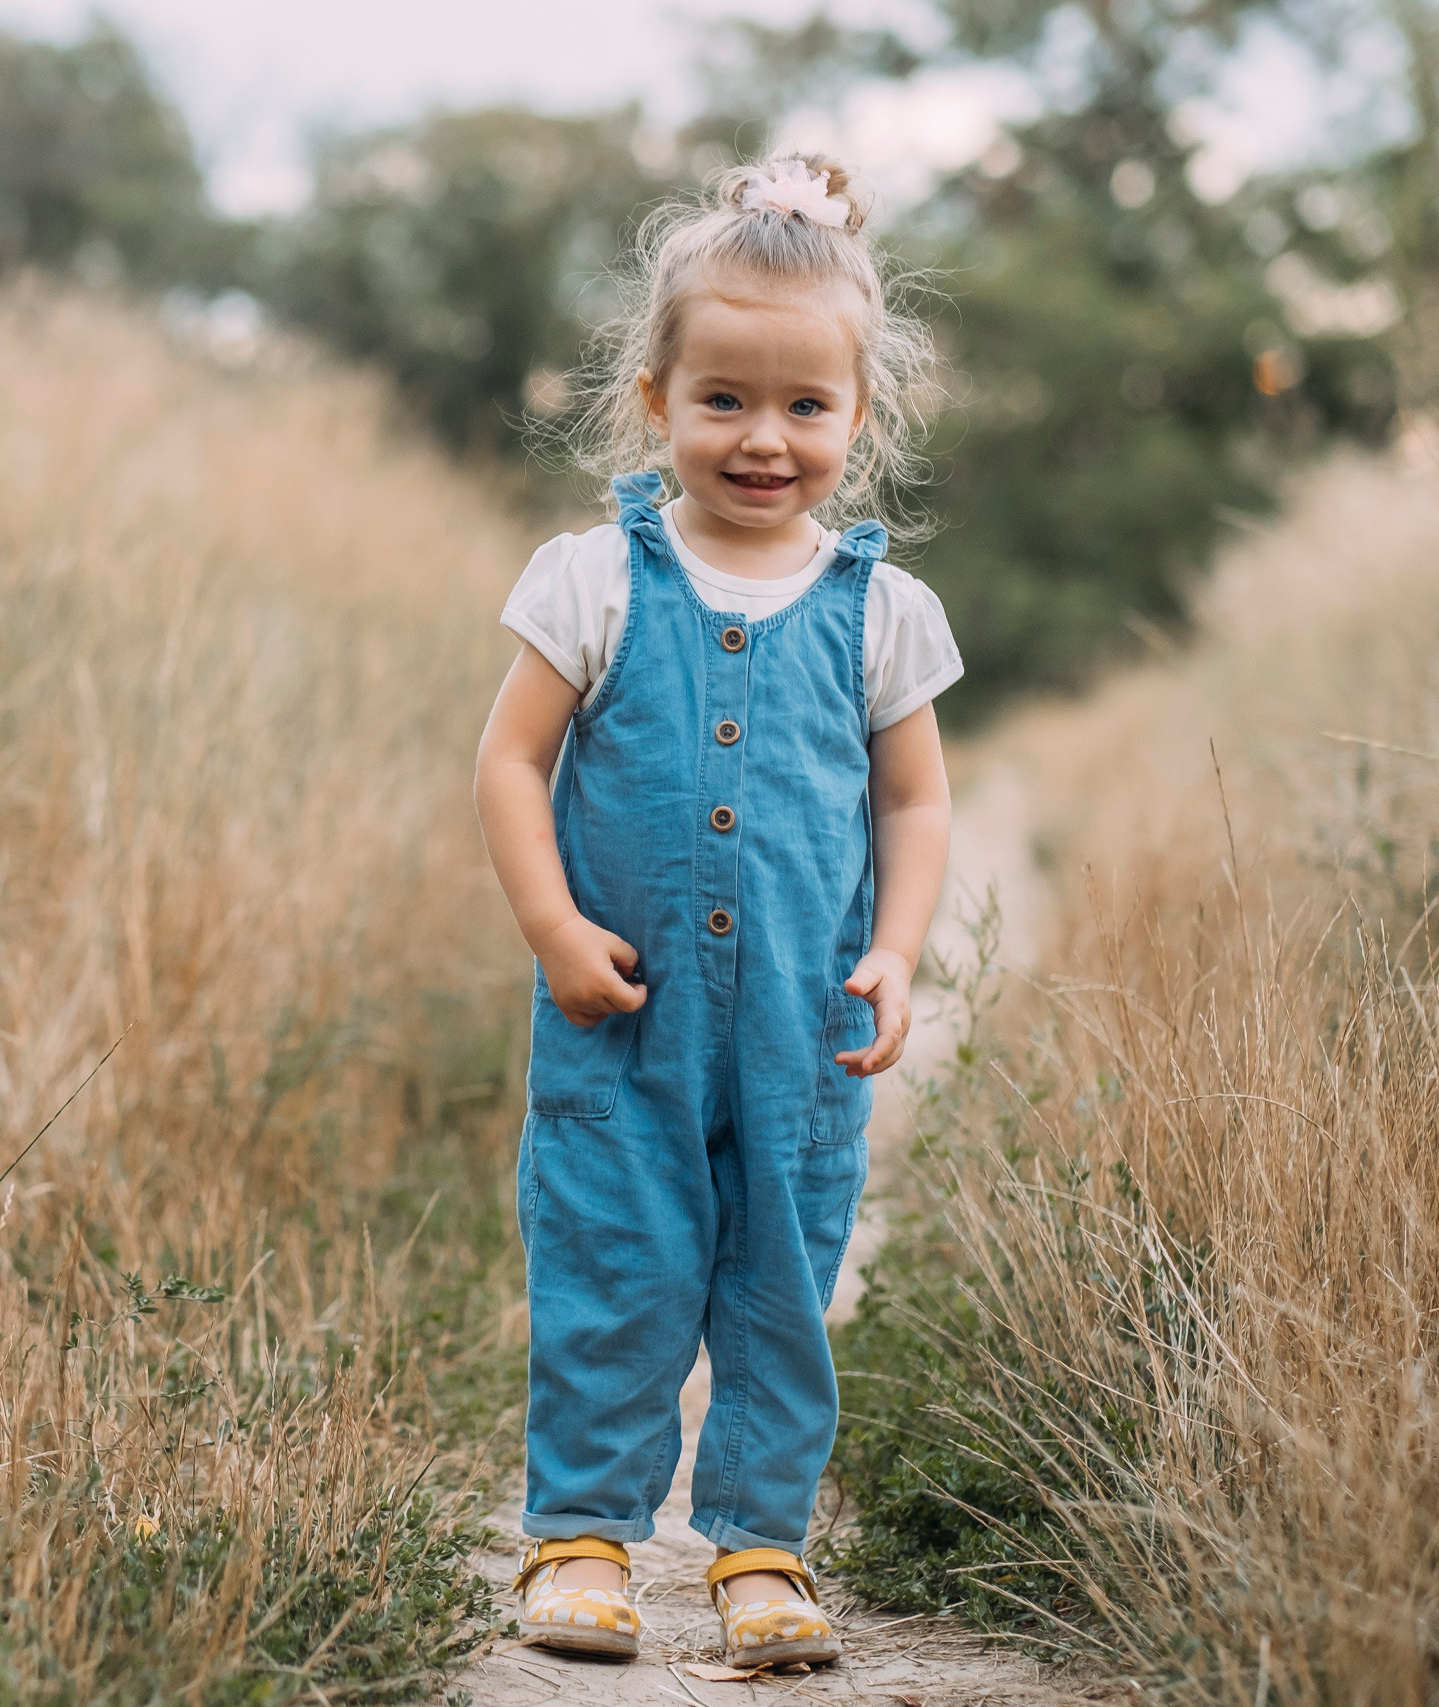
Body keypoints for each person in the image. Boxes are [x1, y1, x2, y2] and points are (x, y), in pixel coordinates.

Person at [473, 154, 958, 1668]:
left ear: (856, 419)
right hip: (620, 1023)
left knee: (781, 1279)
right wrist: (553, 927)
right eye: (725, 401)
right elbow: (509, 760)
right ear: (653, 398)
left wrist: (893, 947)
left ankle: (761, 1552)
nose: (765, 439)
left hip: (797, 1033)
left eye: (805, 407)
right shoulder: (594, 579)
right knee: (614, 1266)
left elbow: (914, 803)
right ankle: (581, 1541)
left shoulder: (884, 610)